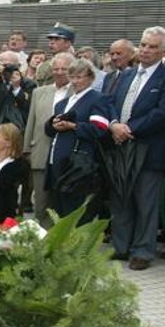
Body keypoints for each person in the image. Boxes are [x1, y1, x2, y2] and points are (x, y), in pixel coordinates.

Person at [106, 27, 165, 270]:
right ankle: (121, 246)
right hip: (120, 146)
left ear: (164, 51)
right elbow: (111, 103)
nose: (145, 50)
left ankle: (143, 251)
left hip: (149, 149)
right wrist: (114, 125)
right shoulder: (126, 75)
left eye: (152, 46)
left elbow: (163, 113)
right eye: (143, 44)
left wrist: (129, 129)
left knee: (146, 202)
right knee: (121, 197)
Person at [44, 59, 110, 220]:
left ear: (90, 77)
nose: (75, 81)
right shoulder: (62, 103)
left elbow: (99, 129)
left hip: (78, 164)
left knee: (76, 213)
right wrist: (54, 125)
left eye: (79, 77)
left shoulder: (97, 98)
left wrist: (73, 126)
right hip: (56, 160)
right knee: (58, 210)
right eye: (72, 77)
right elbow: (49, 131)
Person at [23, 52, 72, 227]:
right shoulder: (39, 92)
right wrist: (27, 148)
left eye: (64, 69)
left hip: (67, 156)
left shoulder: (78, 92)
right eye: (56, 68)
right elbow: (31, 122)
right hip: (40, 151)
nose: (59, 72)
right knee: (41, 204)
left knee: (62, 204)